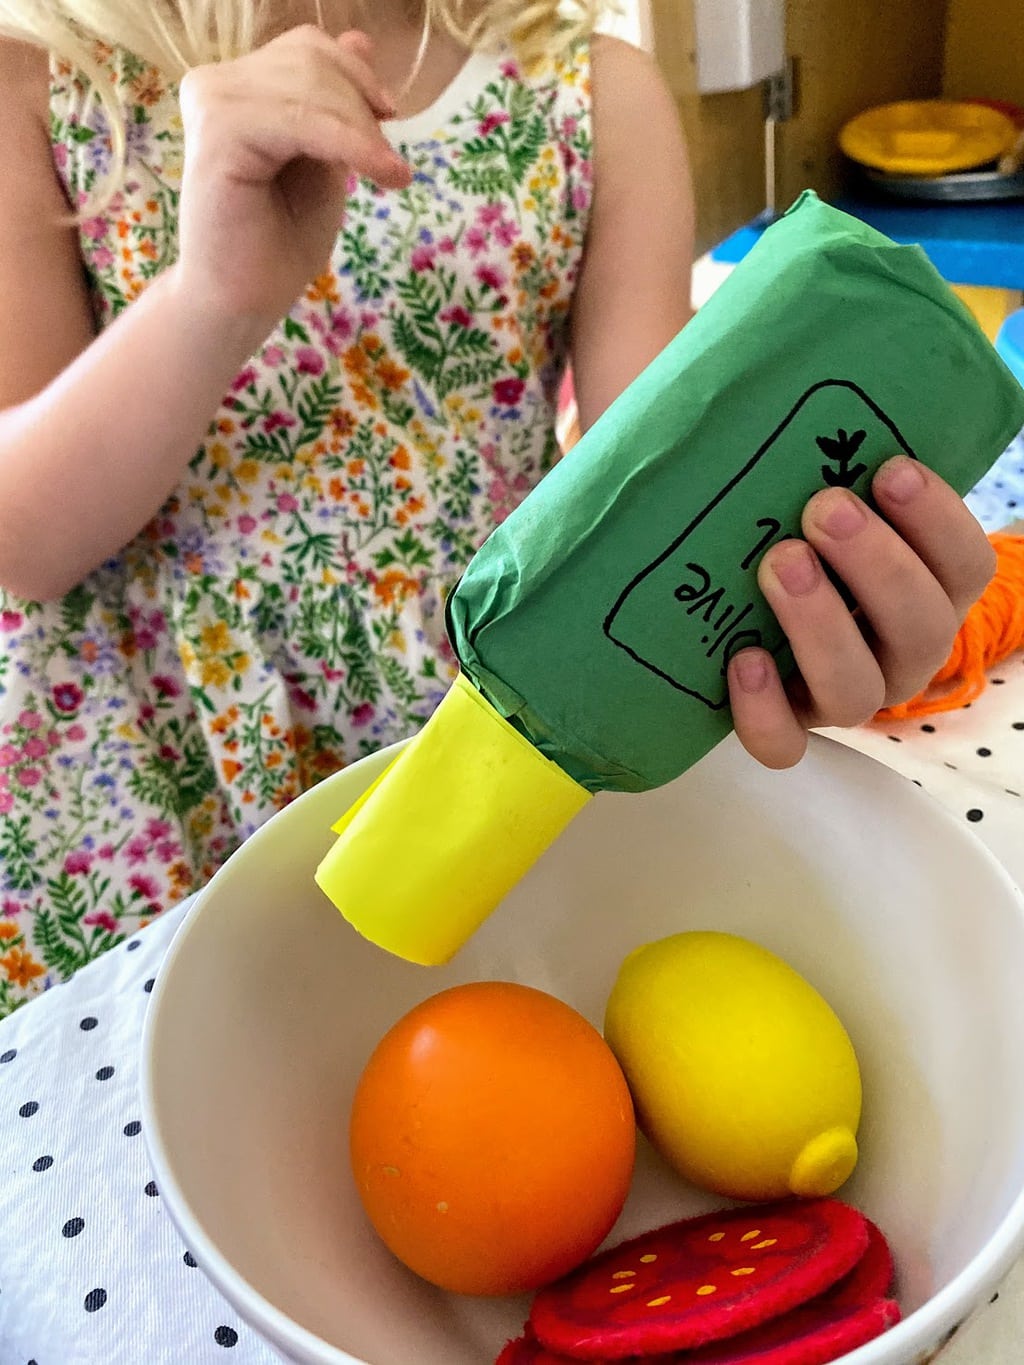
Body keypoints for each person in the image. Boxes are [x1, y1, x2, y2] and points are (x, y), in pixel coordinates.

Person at [0, 0, 995, 1017]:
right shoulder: (41, 75)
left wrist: (794, 624)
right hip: (143, 789)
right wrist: (210, 297)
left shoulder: (588, 91)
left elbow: (666, 502)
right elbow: (22, 541)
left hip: (479, 768)